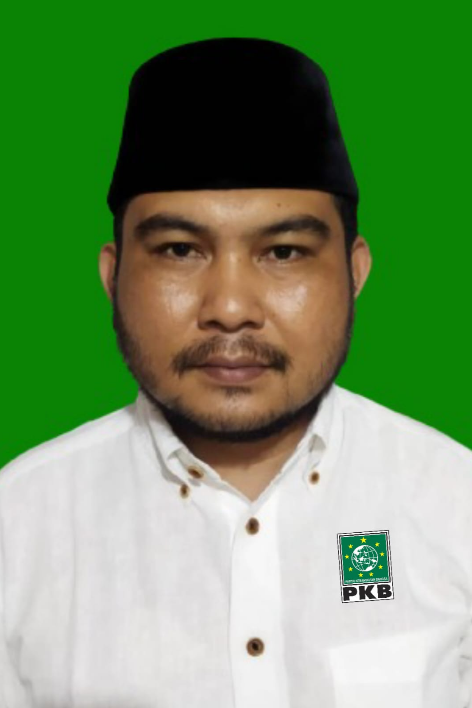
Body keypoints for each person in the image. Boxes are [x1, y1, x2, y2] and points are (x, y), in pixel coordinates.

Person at [1, 37, 471, 708]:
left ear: (355, 272)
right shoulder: (18, 528)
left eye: (283, 252)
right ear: (113, 276)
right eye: (179, 250)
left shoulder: (454, 504)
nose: (228, 307)